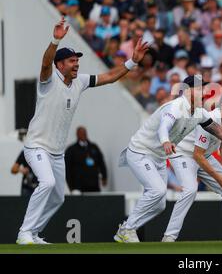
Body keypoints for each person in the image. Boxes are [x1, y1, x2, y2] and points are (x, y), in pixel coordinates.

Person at [16, 17, 149, 245]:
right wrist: (55, 40)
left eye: (77, 60)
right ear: (60, 65)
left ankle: (34, 233)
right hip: (36, 146)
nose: (76, 64)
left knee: (58, 198)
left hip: (57, 153)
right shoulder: (49, 80)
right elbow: (45, 63)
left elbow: (108, 77)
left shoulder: (80, 81)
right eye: (71, 61)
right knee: (47, 183)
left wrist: (132, 63)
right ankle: (24, 233)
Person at [113, 75, 222, 243]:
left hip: (161, 156)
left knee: (160, 204)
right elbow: (164, 127)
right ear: (187, 91)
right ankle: (139, 232)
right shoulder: (175, 107)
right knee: (177, 190)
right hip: (144, 151)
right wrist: (165, 141)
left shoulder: (201, 113)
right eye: (199, 88)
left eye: (204, 87)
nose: (204, 91)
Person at [162, 95, 222, 242]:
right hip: (183, 154)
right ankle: (169, 236)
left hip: (204, 155)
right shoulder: (208, 119)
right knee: (190, 190)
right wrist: (219, 178)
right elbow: (197, 155)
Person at [65, 127, 108, 193]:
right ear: (77, 135)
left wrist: (104, 177)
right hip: (78, 186)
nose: (83, 135)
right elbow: (67, 169)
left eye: (84, 133)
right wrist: (70, 186)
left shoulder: (94, 147)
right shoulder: (71, 150)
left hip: (93, 184)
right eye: (81, 133)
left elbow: (101, 163)